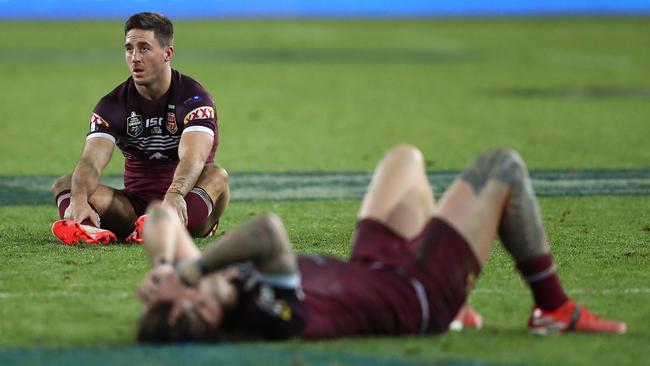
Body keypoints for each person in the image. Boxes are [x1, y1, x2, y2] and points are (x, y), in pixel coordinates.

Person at [136, 144, 626, 342]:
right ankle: (553, 309)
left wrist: (164, 262)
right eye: (191, 287)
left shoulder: (207, 293)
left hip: (374, 267)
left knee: (404, 159)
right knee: (503, 167)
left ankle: (464, 306)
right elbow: (268, 231)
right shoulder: (264, 318)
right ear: (193, 310)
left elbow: (160, 216)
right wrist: (188, 272)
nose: (196, 277)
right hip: (418, 292)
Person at [50, 12, 229, 245]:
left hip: (185, 203)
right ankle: (90, 229)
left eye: (144, 48)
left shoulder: (194, 99)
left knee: (217, 176)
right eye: (129, 48)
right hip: (134, 209)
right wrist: (80, 198)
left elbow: (193, 158)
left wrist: (175, 194)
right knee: (68, 185)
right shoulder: (112, 105)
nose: (134, 57)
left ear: (168, 53)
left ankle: (164, 225)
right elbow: (91, 162)